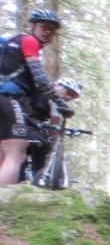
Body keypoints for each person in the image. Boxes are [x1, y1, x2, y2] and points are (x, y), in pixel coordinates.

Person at [0, 10, 73, 186]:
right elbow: (40, 78)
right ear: (32, 26)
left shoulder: (12, 43)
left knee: (4, 154)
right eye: (44, 27)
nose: (48, 32)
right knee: (16, 154)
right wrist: (61, 104)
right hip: (8, 100)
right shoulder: (29, 41)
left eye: (52, 30)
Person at [25, 76, 82, 183]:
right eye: (68, 92)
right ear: (57, 85)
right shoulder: (47, 94)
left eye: (73, 96)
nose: (69, 97)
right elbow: (54, 124)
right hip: (22, 125)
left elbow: (54, 124)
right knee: (43, 145)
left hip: (25, 126)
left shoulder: (54, 100)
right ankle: (37, 179)